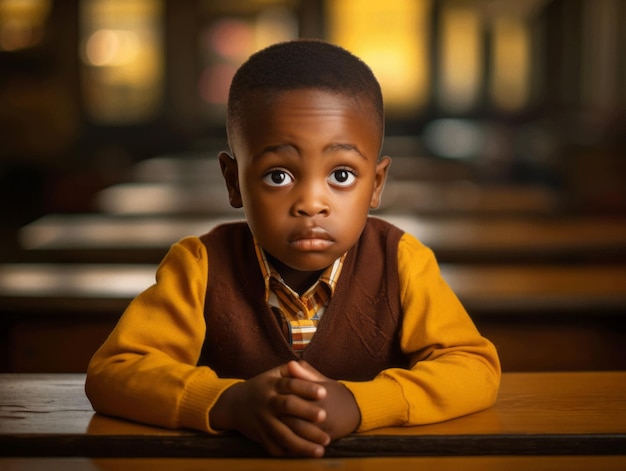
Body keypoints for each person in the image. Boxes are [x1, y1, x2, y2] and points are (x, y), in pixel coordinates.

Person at [85, 39, 500, 458]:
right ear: (233, 181)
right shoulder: (200, 265)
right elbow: (114, 372)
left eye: (341, 175)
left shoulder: (401, 261)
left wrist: (361, 405)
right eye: (278, 176)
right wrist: (228, 403)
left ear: (376, 185)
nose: (311, 203)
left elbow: (473, 367)